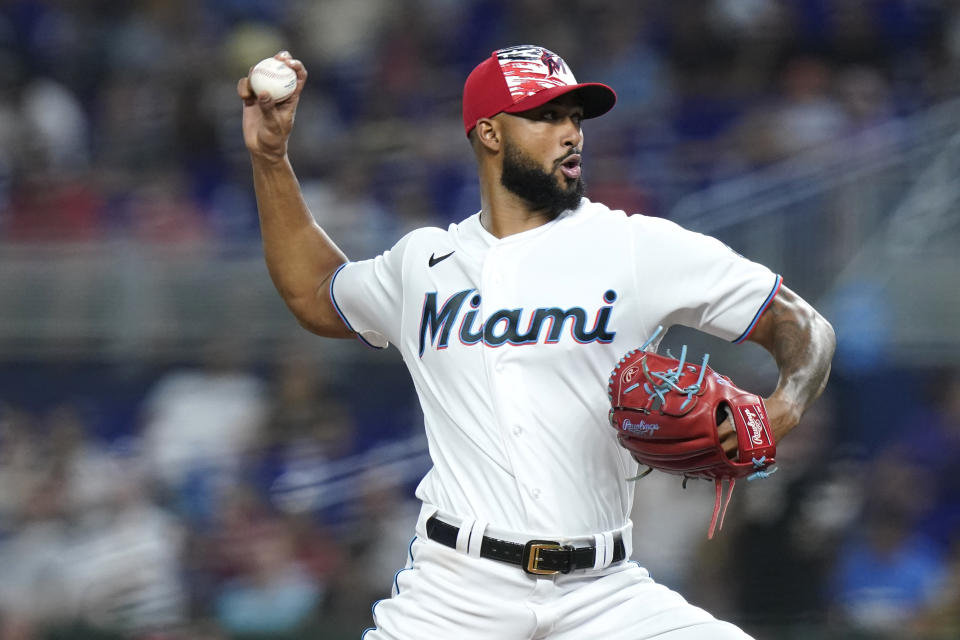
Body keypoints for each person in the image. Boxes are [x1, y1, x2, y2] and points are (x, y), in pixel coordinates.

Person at [238, 45, 836, 640]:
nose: (571, 133)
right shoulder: (423, 263)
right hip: (456, 594)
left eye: (575, 117)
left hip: (603, 592)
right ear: (490, 133)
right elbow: (316, 291)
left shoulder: (632, 246)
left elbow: (802, 326)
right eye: (547, 116)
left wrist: (781, 409)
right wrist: (270, 159)